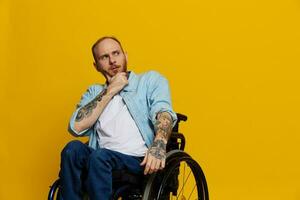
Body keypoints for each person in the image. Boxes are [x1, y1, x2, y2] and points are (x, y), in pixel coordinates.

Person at [59, 36, 177, 200]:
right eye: (104, 57)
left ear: (125, 55)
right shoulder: (94, 92)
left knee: (99, 157)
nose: (112, 61)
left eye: (116, 53)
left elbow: (163, 112)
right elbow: (75, 127)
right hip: (100, 158)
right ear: (96, 66)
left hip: (137, 161)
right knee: (72, 150)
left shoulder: (150, 80)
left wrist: (159, 144)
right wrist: (110, 91)